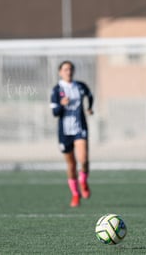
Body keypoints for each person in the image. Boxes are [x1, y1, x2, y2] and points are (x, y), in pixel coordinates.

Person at [50, 60, 94, 207]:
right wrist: (62, 105)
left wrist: (89, 108)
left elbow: (90, 96)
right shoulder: (56, 90)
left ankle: (83, 181)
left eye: (70, 69)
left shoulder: (80, 86)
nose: (68, 72)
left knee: (84, 159)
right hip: (65, 131)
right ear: (60, 72)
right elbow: (55, 112)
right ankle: (75, 195)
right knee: (71, 164)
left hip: (80, 128)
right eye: (65, 69)